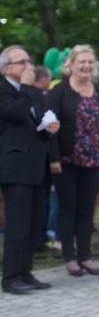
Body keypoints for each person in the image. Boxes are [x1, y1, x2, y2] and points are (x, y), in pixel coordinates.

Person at [45, 44, 99, 277]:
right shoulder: (59, 91)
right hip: (66, 160)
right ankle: (69, 257)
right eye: (81, 61)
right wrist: (53, 158)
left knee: (86, 210)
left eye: (90, 62)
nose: (86, 66)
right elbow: (50, 127)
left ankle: (85, 255)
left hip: (94, 160)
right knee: (68, 209)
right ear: (70, 64)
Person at [0, 45, 60, 294]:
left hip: (36, 165)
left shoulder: (32, 92)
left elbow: (35, 120)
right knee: (17, 225)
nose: (29, 66)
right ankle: (11, 276)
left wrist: (48, 130)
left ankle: (26, 271)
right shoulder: (4, 90)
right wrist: (26, 87)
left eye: (29, 61)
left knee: (34, 223)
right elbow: (14, 113)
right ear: (6, 68)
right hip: (15, 167)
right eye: (22, 62)